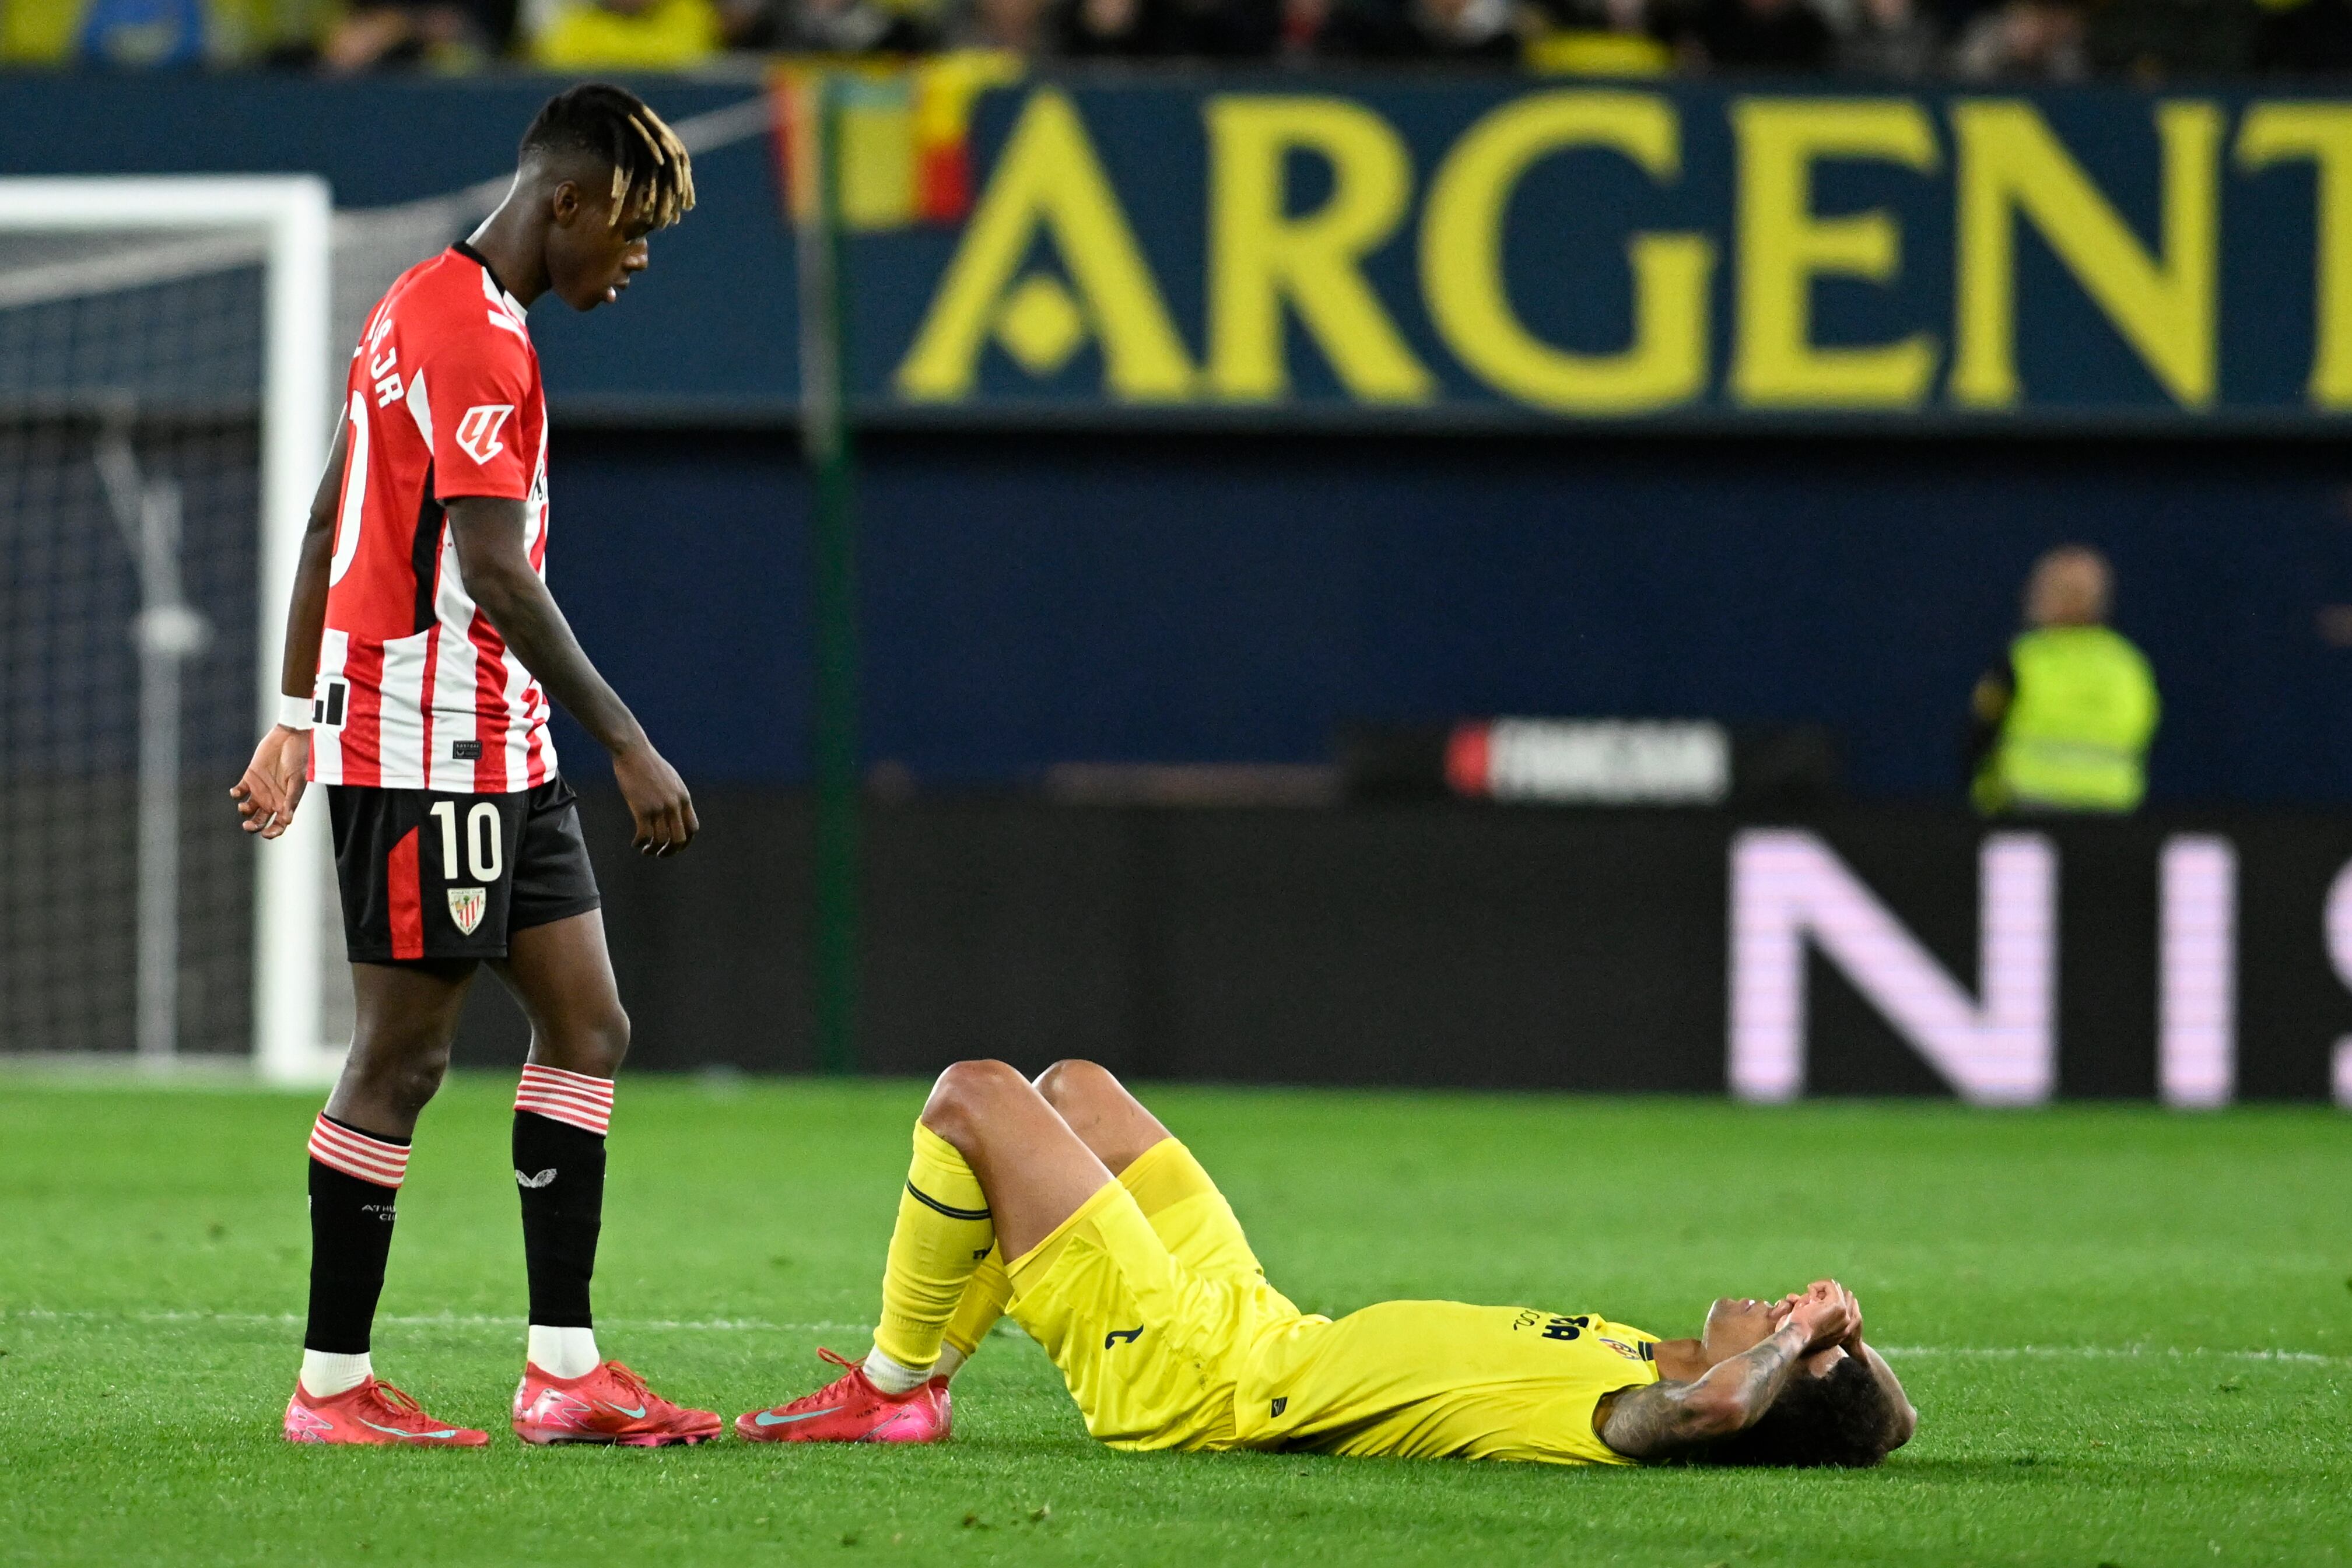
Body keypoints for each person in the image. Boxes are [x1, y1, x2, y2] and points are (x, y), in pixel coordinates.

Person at [231, 83, 714, 1448]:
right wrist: (629, 738)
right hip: (434, 752)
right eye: (629, 235)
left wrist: (289, 710)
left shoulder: (417, 307)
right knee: (403, 1056)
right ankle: (330, 1387)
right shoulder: (475, 345)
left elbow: (336, 510)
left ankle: (563, 1371)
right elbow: (494, 573)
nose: (633, 263)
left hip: (494, 746)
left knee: (590, 1027)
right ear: (569, 202)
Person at [737, 1060, 1917, 1469]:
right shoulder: (1639, 1352)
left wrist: (1788, 1347)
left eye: (1796, 1347)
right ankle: (933, 1374)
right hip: (1258, 1323)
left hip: (1199, 1382)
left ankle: (890, 1390)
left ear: (1768, 1393)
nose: (1781, 1313)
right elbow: (1887, 1429)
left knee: (972, 1099)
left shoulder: (1626, 1415)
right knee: (1077, 1093)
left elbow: (1718, 1408)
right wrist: (1846, 1343)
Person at [1968, 544, 2160, 815]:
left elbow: (1979, 734)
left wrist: (1985, 796)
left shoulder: (2024, 660)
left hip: (2028, 808)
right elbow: (2144, 729)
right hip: (2111, 812)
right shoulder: (2127, 664)